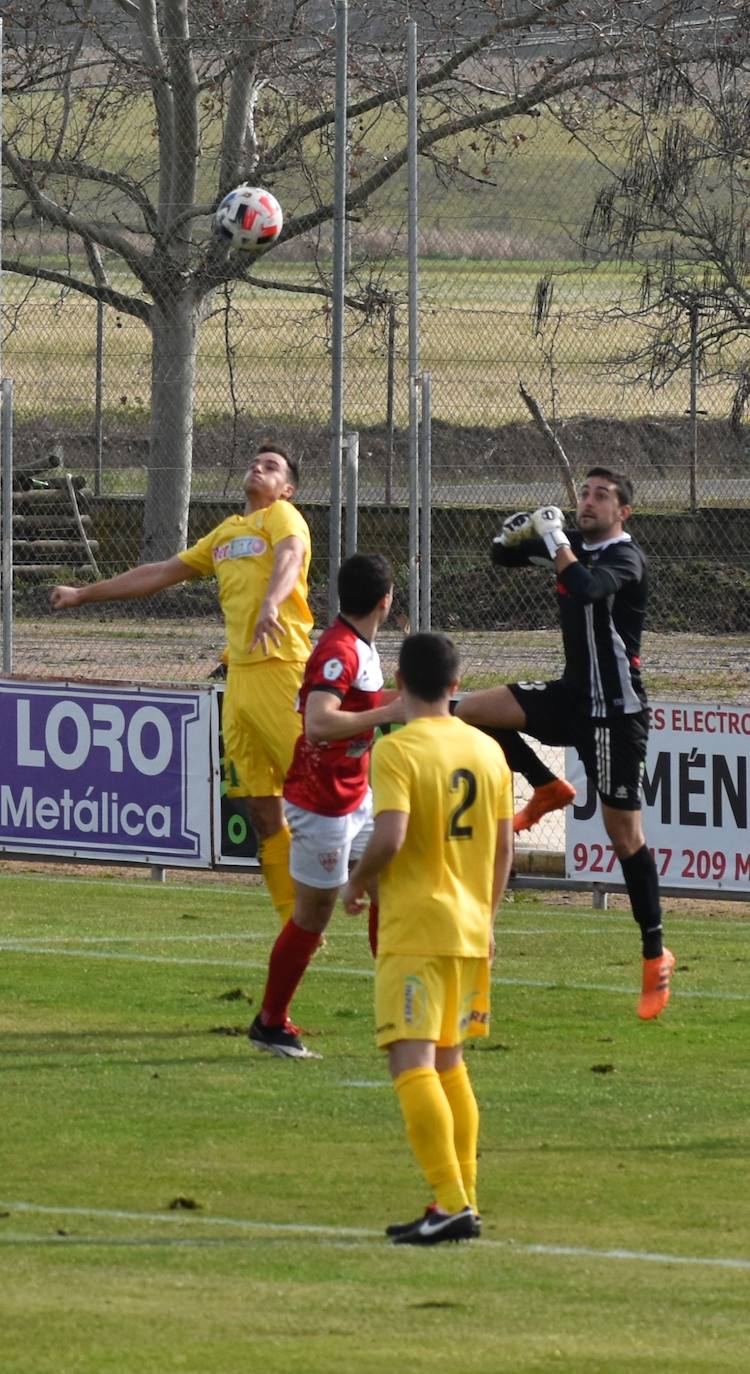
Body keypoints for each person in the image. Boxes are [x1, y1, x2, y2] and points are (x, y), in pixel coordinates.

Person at [50, 440, 312, 928]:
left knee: (320, 794)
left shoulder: (282, 518)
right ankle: (294, 926)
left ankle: (386, 883)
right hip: (240, 681)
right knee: (260, 808)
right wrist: (85, 594)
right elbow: (162, 572)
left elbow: (291, 559)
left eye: (271, 466)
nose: (258, 468)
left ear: (288, 488)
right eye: (255, 462)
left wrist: (273, 602)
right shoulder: (226, 532)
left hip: (282, 668)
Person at [456, 466, 674, 1020]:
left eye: (602, 496)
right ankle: (546, 784)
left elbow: (587, 587)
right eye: (584, 493)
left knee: (623, 835)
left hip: (616, 714)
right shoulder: (570, 543)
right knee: (468, 712)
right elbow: (502, 558)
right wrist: (515, 532)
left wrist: (553, 539)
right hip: (572, 695)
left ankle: (654, 953)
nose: (588, 501)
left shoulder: (624, 557)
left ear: (624, 512)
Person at [342, 632, 514, 1246]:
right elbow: (504, 850)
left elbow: (389, 836)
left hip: (416, 928)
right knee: (450, 1063)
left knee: (411, 1063)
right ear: (456, 685)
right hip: (470, 928)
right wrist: (487, 919)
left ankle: (451, 1201)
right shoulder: (487, 749)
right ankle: (461, 1199)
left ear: (397, 685)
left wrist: (356, 884)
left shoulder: (398, 749)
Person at [248, 552, 403, 1059]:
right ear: (387, 600)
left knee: (391, 888)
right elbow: (319, 722)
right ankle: (270, 1023)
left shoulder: (362, 645)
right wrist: (393, 712)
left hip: (356, 794)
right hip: (321, 803)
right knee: (313, 916)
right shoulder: (340, 650)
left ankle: (400, 1014)